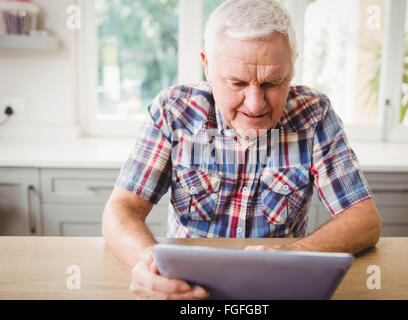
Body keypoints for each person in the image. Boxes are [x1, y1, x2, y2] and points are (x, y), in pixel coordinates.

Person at [102, 0, 381, 300]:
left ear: (293, 64)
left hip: (277, 288)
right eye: (237, 82)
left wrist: (295, 254)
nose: (255, 104)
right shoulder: (174, 111)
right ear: (207, 65)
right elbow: (121, 210)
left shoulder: (314, 115)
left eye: (273, 82)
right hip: (188, 290)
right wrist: (147, 264)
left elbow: (364, 220)